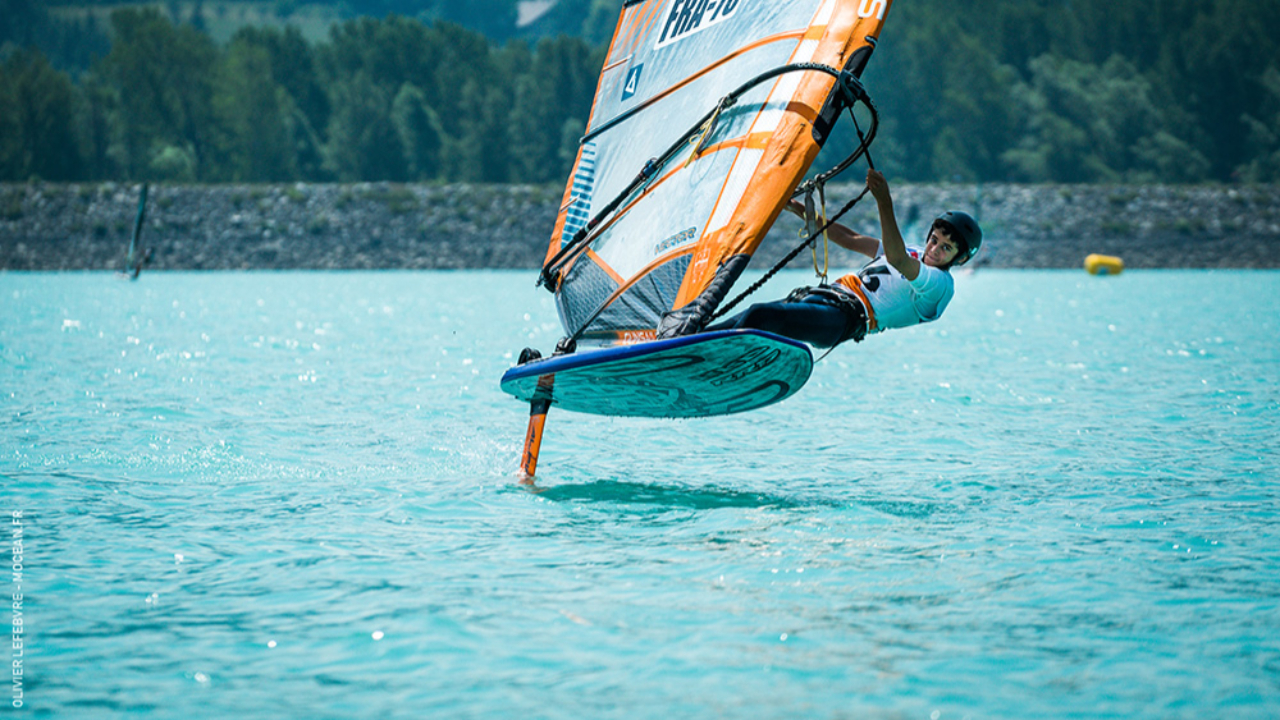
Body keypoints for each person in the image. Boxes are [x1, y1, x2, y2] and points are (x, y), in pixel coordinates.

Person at [706, 168, 982, 348]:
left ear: (959, 260)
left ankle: (707, 363)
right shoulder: (912, 252)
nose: (935, 250)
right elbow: (850, 239)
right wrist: (800, 210)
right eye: (935, 240)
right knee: (743, 317)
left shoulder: (940, 285)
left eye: (946, 248)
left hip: (843, 319)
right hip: (823, 297)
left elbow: (896, 259)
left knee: (761, 315)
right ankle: (684, 344)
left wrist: (884, 202)